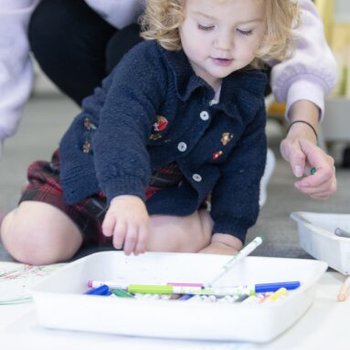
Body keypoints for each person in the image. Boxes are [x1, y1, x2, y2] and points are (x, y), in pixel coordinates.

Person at [1, 0, 299, 264]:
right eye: (206, 26)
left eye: (244, 31)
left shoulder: (248, 92)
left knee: (169, 250)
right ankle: (18, 219)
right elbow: (120, 129)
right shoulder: (147, 63)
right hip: (88, 179)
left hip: (163, 196)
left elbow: (245, 170)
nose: (223, 44)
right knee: (34, 241)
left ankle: (195, 222)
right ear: (176, 14)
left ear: (268, 30)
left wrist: (227, 238)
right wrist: (126, 195)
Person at [0, 0, 337, 201]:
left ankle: (218, 147)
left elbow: (293, 20)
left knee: (132, 47)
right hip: (151, 37)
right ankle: (137, 161)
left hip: (227, 63)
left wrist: (303, 125)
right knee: (54, 26)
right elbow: (6, 34)